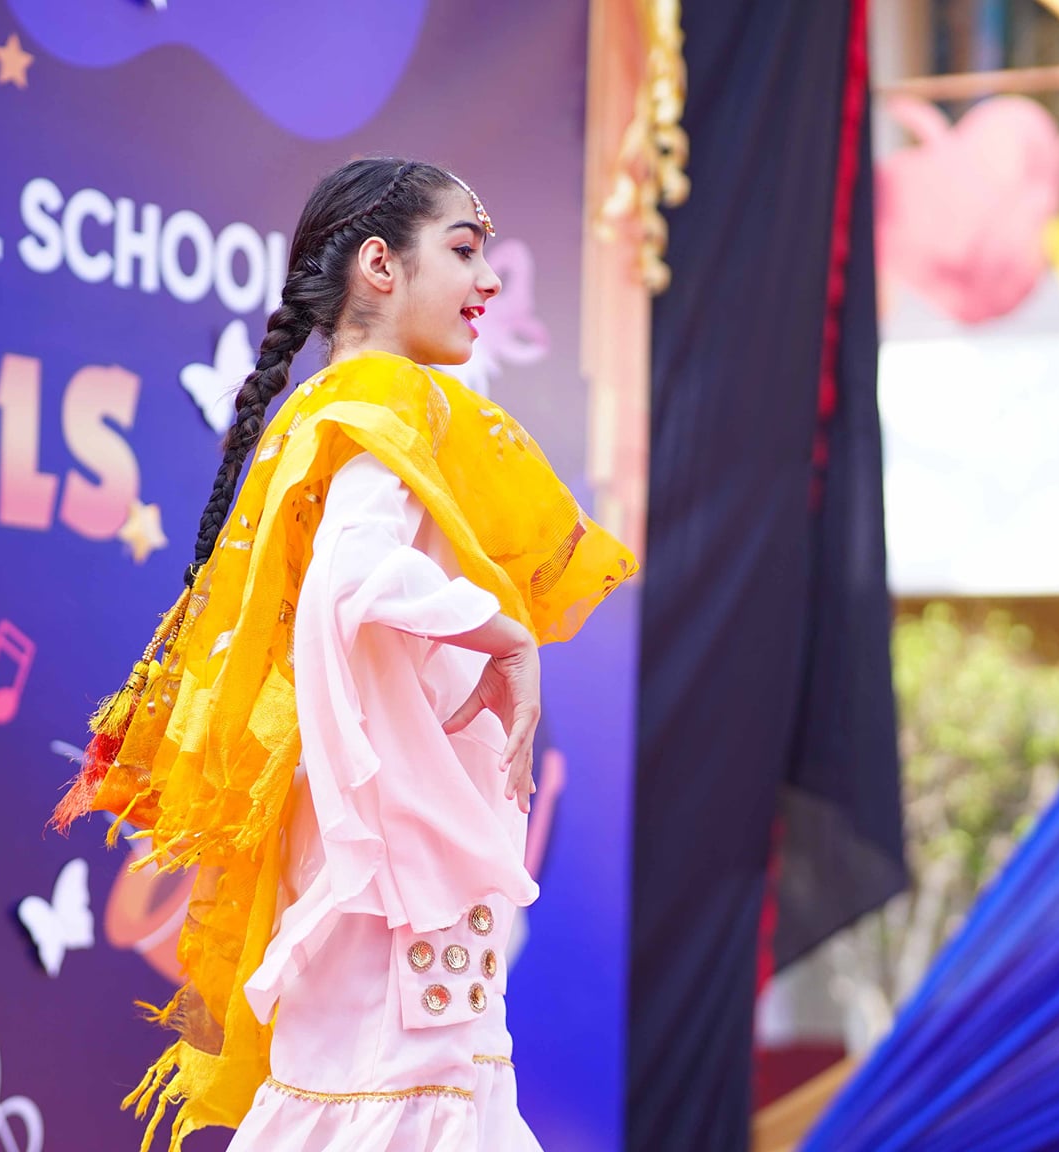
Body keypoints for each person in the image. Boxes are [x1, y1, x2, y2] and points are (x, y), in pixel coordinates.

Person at [50, 157, 636, 1152]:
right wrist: (500, 632)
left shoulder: (332, 407)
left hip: (372, 848)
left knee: (381, 1101)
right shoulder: (384, 398)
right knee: (401, 1101)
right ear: (379, 264)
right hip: (393, 860)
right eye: (463, 249)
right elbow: (350, 575)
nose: (488, 278)